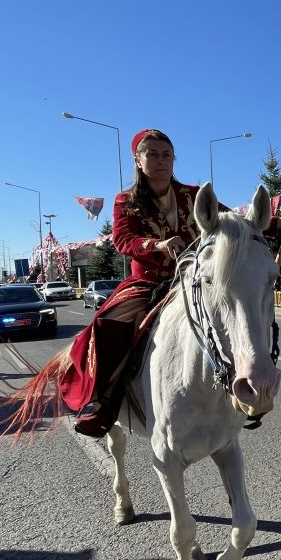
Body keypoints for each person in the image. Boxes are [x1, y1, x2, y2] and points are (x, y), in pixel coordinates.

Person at [63, 129, 207, 437]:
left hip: (193, 278)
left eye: (166, 154)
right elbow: (122, 239)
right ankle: (102, 400)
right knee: (106, 325)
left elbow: (229, 219)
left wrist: (274, 222)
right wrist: (157, 245)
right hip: (148, 284)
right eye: (152, 154)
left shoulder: (194, 195)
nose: (161, 160)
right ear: (138, 160)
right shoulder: (126, 201)